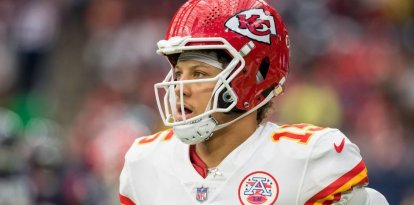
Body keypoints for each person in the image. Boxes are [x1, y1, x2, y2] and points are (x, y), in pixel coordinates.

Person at [119, 0, 389, 204]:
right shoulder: (145, 162)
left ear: (251, 79)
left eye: (199, 74)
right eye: (179, 74)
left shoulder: (310, 160)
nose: (180, 88)